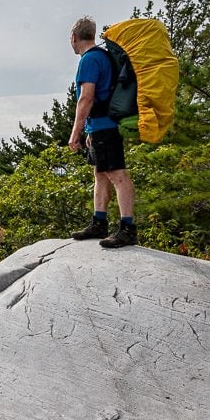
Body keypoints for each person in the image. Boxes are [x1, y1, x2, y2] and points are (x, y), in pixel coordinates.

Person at [67, 16, 138, 248]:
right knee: (100, 174)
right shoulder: (103, 56)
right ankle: (99, 222)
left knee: (117, 175)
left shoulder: (89, 60)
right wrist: (89, 129)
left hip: (105, 126)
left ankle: (127, 229)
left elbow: (86, 97)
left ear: (74, 38)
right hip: (99, 126)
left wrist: (75, 131)